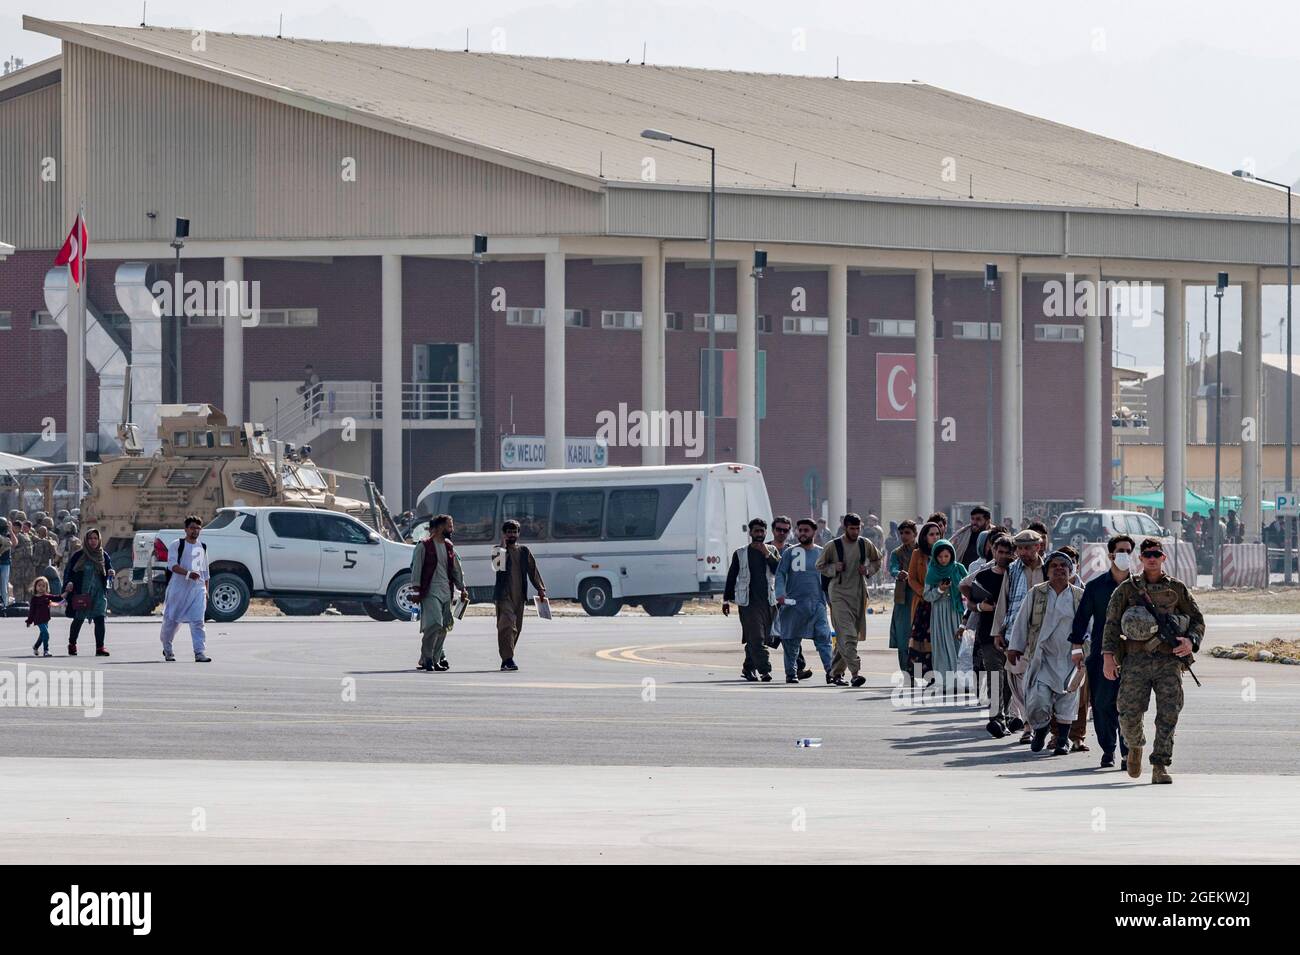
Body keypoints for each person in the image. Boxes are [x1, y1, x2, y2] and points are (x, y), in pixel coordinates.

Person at [1102, 538, 1204, 784]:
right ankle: (1135, 745)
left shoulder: (1177, 589)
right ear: (1141, 558)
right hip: (1135, 660)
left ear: (1163, 558)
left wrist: (1190, 641)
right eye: (1147, 554)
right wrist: (1108, 657)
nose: (1151, 558)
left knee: (1169, 713)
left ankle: (1160, 764)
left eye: (1156, 554)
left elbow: (1197, 620)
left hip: (1169, 661)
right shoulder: (1127, 589)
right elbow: (1112, 624)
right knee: (1128, 713)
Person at [1007, 550, 1084, 756]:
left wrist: (1088, 652)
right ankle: (1040, 730)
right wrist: (1015, 647)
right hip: (1042, 658)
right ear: (1047, 571)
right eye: (1054, 566)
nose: (1059, 569)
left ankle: (1062, 741)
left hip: (1071, 657)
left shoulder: (1079, 595)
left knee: (1067, 698)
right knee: (1038, 698)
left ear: (1071, 571)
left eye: (1063, 566)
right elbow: (1022, 621)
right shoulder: (1036, 593)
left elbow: (1089, 626)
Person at [1071, 534, 1134, 768]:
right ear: (1110, 555)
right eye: (1120, 551)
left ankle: (1129, 752)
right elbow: (1081, 620)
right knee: (1102, 704)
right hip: (1101, 654)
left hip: (1133, 657)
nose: (1125, 555)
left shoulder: (1139, 587)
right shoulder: (1096, 587)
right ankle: (1108, 749)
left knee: (1129, 705)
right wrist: (1077, 648)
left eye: (1129, 551)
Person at [991, 529, 1047, 743]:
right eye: (1020, 548)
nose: (1023, 552)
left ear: (1038, 547)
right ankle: (1028, 724)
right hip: (1017, 631)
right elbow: (1003, 601)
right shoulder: (1012, 570)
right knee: (1017, 679)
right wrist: (998, 631)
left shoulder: (1051, 567)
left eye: (1027, 547)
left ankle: (1039, 722)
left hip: (1044, 633)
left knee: (1041, 680)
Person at [817, 513, 882, 687]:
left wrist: (868, 570)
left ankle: (835, 673)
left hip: (858, 593)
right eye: (851, 528)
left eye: (857, 528)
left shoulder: (864, 544)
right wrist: (833, 567)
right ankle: (855, 673)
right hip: (838, 594)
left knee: (845, 636)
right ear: (845, 528)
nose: (855, 531)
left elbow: (877, 559)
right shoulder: (833, 545)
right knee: (849, 635)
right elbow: (820, 565)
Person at [963, 534, 1013, 736]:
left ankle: (1006, 715)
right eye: (999, 551)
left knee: (1010, 678)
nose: (1002, 556)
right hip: (987, 634)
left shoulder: (1016, 575)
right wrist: (981, 607)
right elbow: (970, 603)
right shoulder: (982, 576)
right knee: (995, 675)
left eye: (1007, 552)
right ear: (993, 551)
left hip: (1012, 634)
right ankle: (996, 718)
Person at [774, 519, 835, 683]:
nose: (802, 533)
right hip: (793, 604)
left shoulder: (823, 553)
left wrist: (831, 600)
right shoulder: (790, 553)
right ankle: (791, 673)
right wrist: (780, 594)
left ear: (814, 532)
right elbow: (780, 574)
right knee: (791, 641)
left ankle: (832, 673)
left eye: (806, 530)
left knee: (824, 639)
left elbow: (829, 578)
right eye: (799, 530)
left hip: (817, 604)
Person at [723, 518, 781, 682]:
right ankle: (764, 671)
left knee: (760, 639)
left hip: (769, 602)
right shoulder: (740, 553)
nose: (759, 534)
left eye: (762, 531)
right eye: (756, 531)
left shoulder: (772, 550)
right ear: (750, 533)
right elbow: (732, 576)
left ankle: (748, 668)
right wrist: (726, 600)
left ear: (765, 533)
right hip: (748, 603)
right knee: (756, 637)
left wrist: (767, 554)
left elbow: (779, 570)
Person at [411, 514, 468, 672]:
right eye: (449, 526)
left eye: (452, 525)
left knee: (443, 627)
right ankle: (427, 657)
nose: (452, 529)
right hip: (430, 590)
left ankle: (435, 660)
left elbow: (456, 569)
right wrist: (416, 589)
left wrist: (462, 588)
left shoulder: (449, 546)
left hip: (446, 591)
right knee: (434, 623)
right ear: (438, 528)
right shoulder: (424, 546)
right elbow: (416, 568)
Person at [493, 519, 547, 672]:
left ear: (518, 534)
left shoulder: (524, 551)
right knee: (507, 626)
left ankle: (506, 658)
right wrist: (503, 545)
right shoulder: (498, 550)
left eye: (514, 532)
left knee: (517, 628)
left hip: (519, 596)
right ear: (503, 534)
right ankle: (508, 658)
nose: (511, 535)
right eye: (508, 532)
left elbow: (533, 571)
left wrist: (540, 589)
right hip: (504, 597)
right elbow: (498, 567)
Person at [158, 516, 212, 662]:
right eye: (192, 527)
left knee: (198, 621)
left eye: (198, 528)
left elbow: (205, 572)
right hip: (178, 589)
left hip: (198, 589)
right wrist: (188, 574)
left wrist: (206, 590)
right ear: (186, 529)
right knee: (172, 620)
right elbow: (172, 565)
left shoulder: (202, 546)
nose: (195, 531)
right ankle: (167, 649)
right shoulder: (177, 544)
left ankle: (199, 652)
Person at [769, 516, 812, 681]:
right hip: (768, 598)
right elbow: (776, 570)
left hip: (789, 598)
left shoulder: (794, 550)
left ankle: (798, 668)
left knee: (793, 634)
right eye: (778, 529)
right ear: (773, 530)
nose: (782, 533)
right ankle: (751, 665)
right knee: (763, 635)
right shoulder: (763, 547)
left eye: (785, 530)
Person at [62, 528, 113, 657]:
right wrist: (69, 582)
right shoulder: (79, 555)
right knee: (78, 619)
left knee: (100, 618)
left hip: (99, 593)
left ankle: (100, 647)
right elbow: (69, 571)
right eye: (90, 538)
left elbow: (108, 569)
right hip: (82, 592)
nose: (93, 541)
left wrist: (111, 572)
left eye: (95, 538)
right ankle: (72, 644)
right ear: (86, 540)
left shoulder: (103, 555)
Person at [923, 539, 968, 678]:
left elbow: (968, 587)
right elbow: (927, 595)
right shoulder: (932, 572)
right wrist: (940, 590)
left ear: (952, 555)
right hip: (939, 614)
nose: (943, 560)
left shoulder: (958, 568)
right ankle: (945, 680)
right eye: (940, 556)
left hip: (956, 612)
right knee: (942, 645)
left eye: (946, 556)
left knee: (958, 644)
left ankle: (961, 679)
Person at [906, 521, 942, 676]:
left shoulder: (944, 552)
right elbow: (911, 578)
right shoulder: (917, 554)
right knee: (920, 639)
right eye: (931, 534)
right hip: (923, 603)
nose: (935, 537)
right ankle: (916, 673)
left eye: (937, 534)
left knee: (938, 639)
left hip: (940, 603)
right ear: (925, 537)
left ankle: (935, 673)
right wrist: (924, 592)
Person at [887, 519, 918, 679]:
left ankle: (921, 672)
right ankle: (906, 672)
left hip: (919, 597)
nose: (904, 536)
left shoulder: (922, 551)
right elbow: (892, 567)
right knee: (903, 636)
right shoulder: (897, 553)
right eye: (902, 533)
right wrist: (897, 573)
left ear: (915, 534)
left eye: (907, 533)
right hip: (903, 598)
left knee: (919, 637)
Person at [26, 576, 62, 657]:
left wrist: (66, 593)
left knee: (42, 634)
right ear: (35, 587)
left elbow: (58, 598)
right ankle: (46, 650)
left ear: (46, 587)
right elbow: (32, 611)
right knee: (46, 633)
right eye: (39, 585)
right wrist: (29, 621)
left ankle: (35, 647)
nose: (41, 587)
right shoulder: (34, 599)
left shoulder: (47, 596)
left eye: (43, 586)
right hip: (38, 619)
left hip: (46, 618)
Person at [949, 505, 992, 570]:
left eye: (978, 519)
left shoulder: (994, 535)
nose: (974, 522)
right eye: (972, 519)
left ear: (987, 521)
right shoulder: (963, 534)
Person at [0, 517, 14, 611]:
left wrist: (11, 530)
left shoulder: (7, 535)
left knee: (4, 586)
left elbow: (15, 542)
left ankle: (4, 606)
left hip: (5, 563)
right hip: (4, 563)